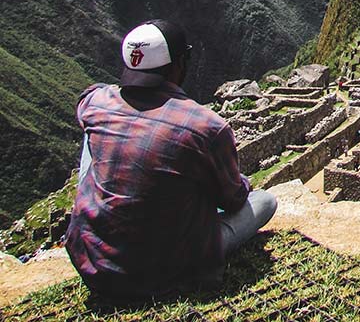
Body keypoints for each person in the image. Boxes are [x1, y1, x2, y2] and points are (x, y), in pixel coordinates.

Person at [65, 20, 277, 299]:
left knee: (91, 135)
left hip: (94, 262)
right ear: (179, 64)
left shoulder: (95, 101)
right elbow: (233, 200)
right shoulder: (206, 127)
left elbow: (88, 99)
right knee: (265, 201)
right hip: (171, 266)